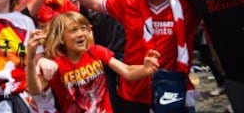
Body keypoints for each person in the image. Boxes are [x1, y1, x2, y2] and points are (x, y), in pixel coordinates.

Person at [56, 0, 200, 113]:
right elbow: (94, 4)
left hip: (172, 91)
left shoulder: (187, 7)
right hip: (134, 92)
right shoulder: (128, 3)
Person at [26, 11, 160, 113]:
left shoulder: (97, 51)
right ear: (61, 38)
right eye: (73, 30)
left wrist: (145, 69)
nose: (81, 34)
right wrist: (31, 58)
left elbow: (128, 71)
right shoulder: (55, 64)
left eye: (83, 29)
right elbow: (35, 89)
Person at [77, 0, 133, 113]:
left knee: (129, 91)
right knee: (108, 93)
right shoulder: (85, 1)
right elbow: (84, 26)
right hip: (102, 55)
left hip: (123, 52)